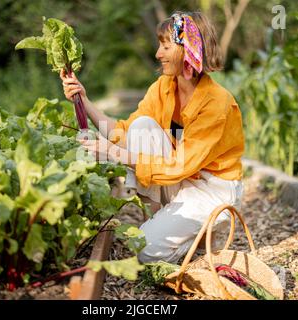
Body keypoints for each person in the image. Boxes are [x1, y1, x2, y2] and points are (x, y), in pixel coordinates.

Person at [60, 10, 245, 264]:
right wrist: (83, 98)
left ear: (187, 50)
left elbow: (181, 164)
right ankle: (160, 221)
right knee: (142, 126)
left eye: (166, 46)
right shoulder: (164, 87)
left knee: (144, 250)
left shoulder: (216, 104)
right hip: (180, 178)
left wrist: (113, 153)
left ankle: (202, 240)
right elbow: (122, 132)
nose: (158, 54)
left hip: (210, 189)